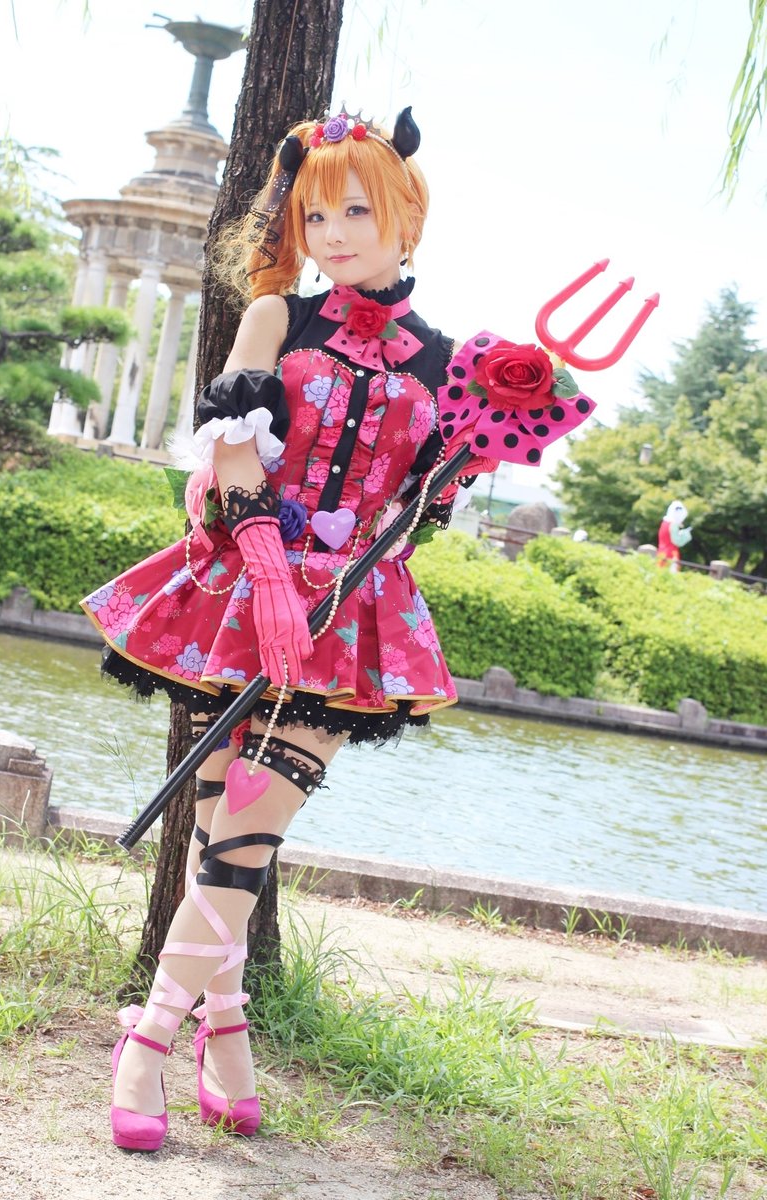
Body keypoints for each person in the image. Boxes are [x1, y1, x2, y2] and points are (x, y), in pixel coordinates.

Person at [82, 106, 592, 1152]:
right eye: (315, 217)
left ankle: (149, 1038)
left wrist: (459, 466)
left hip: (352, 617)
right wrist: (270, 571)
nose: (334, 234)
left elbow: (420, 509)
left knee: (246, 836)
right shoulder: (279, 318)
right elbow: (232, 449)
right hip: (240, 591)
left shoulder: (448, 361)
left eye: (356, 211)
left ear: (405, 214)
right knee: (220, 838)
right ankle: (226, 1029)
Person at [657, 500, 692, 571]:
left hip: (661, 552)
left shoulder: (664, 523)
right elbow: (677, 541)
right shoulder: (673, 525)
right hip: (671, 555)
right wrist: (686, 534)